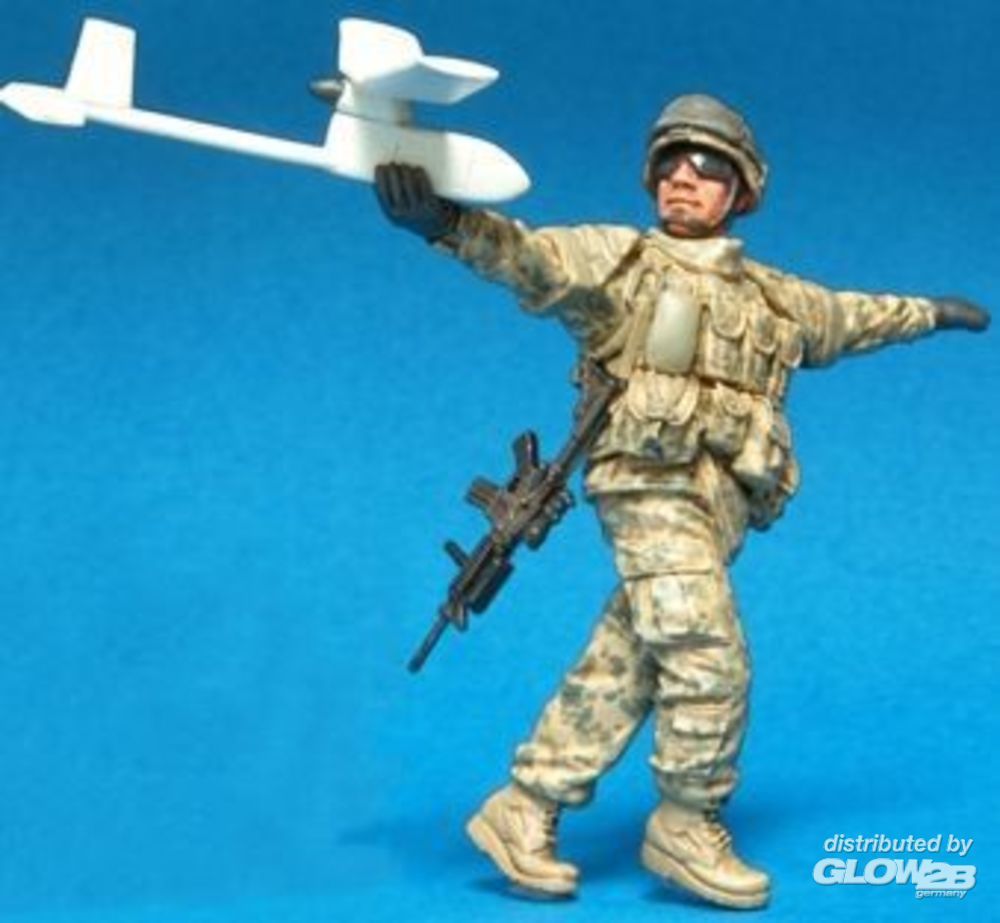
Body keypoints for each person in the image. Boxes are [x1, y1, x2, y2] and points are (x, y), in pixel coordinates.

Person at [374, 94, 989, 909]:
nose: (682, 177)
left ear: (743, 189)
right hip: (649, 484)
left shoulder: (774, 298)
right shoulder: (621, 263)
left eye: (707, 166)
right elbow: (527, 257)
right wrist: (447, 224)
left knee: (628, 657)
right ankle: (687, 821)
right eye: (668, 163)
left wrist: (932, 314)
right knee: (707, 655)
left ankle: (524, 804)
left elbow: (850, 317)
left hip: (720, 506)